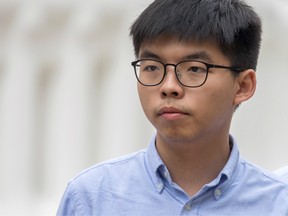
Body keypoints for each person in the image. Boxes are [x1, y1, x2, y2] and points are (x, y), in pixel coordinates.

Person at [57, 0, 288, 215]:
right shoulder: (91, 199)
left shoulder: (277, 203)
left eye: (195, 69)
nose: (169, 87)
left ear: (243, 86)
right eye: (152, 67)